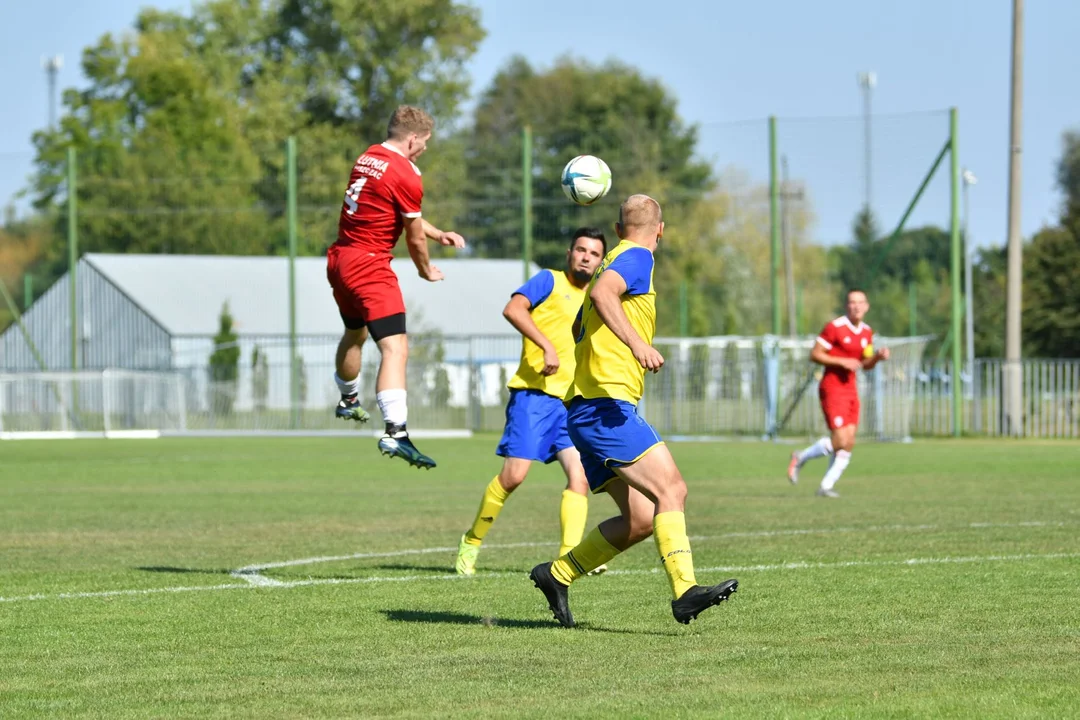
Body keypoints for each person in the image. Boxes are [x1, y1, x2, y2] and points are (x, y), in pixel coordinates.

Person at [529, 195, 739, 628]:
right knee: (672, 490)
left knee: (641, 519)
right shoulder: (638, 257)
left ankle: (557, 575)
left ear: (617, 227)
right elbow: (604, 295)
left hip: (584, 407)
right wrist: (637, 343)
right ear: (660, 230)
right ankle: (685, 592)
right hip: (605, 407)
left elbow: (581, 321)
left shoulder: (608, 262)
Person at [455, 229, 607, 576]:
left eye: (594, 253)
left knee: (580, 478)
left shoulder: (595, 298)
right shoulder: (549, 280)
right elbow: (513, 309)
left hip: (570, 404)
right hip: (534, 397)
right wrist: (546, 346)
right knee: (514, 477)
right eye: (581, 249)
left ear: (600, 262)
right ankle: (471, 541)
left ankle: (570, 558)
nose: (586, 257)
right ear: (569, 253)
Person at [326, 105, 465, 469]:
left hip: (340, 260)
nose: (426, 149)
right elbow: (413, 237)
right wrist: (425, 269)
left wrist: (438, 233)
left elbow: (404, 212)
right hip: (369, 266)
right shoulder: (407, 173)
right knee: (395, 348)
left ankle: (348, 399)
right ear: (413, 138)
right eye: (426, 142)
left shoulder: (369, 156)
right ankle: (396, 432)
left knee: (355, 334)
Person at [787, 289, 890, 497]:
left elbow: (864, 363)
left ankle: (826, 486)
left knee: (848, 442)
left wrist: (877, 358)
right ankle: (801, 457)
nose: (856, 306)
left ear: (867, 306)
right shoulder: (835, 327)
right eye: (852, 302)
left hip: (851, 389)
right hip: (832, 387)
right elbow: (815, 354)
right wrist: (841, 361)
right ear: (846, 306)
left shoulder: (866, 332)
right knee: (841, 439)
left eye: (860, 302)